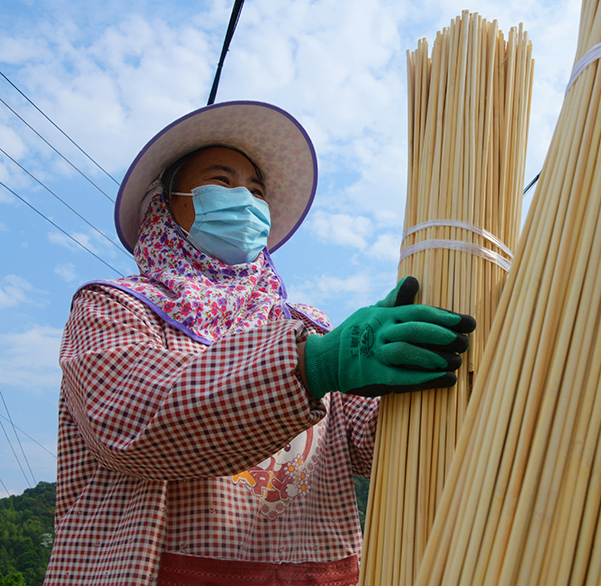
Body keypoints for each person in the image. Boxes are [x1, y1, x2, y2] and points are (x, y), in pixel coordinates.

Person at [43, 101, 475, 586]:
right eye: (222, 183)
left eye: (255, 190)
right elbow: (130, 421)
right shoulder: (116, 306)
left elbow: (364, 442)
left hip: (311, 572)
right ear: (162, 206)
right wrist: (312, 366)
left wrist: (432, 375)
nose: (245, 200)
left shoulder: (303, 324)